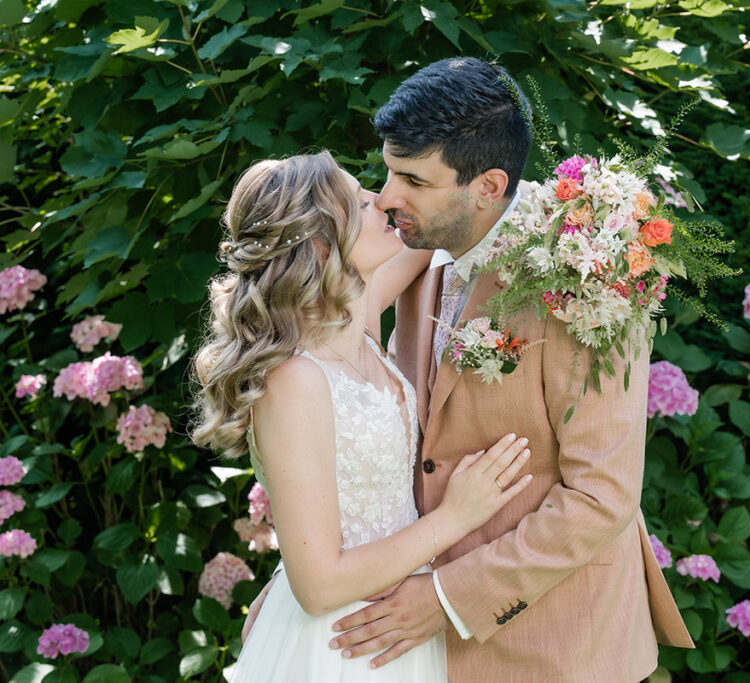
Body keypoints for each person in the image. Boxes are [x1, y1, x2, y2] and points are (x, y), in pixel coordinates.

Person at [319, 58, 695, 682]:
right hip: (415, 640)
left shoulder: (589, 277)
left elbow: (602, 497)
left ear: (489, 187)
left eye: (412, 179)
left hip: (559, 643)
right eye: (387, 172)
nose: (386, 198)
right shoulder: (417, 246)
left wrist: (446, 598)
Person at [190, 151, 533, 682]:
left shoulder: (356, 319)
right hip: (343, 645)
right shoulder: (294, 379)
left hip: (400, 625)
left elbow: (449, 224)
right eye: (359, 200)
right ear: (322, 242)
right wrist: (454, 518)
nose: (383, 200)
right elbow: (319, 584)